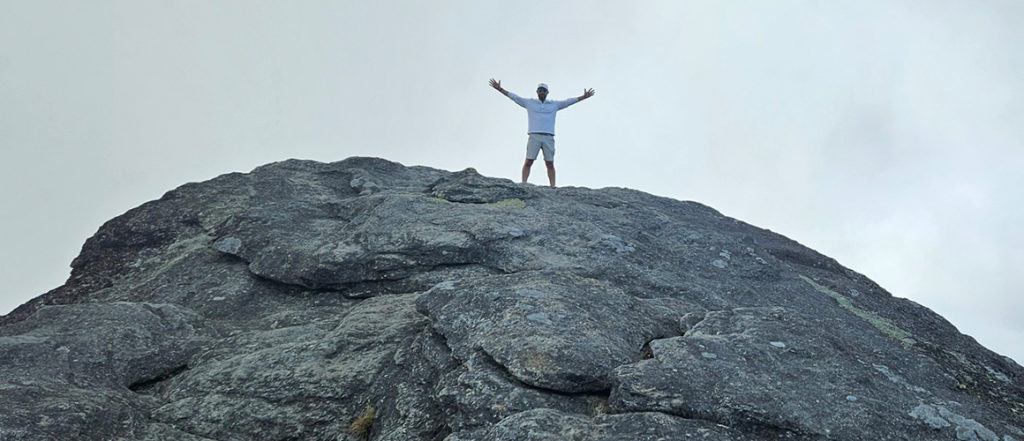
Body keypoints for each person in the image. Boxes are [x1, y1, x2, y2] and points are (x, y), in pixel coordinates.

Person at [489, 79, 595, 187]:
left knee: (549, 163)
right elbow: (514, 97)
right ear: (537, 92)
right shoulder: (530, 103)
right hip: (534, 135)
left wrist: (583, 97)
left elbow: (568, 102)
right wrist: (500, 89)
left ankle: (553, 186)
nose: (541, 92)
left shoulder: (554, 104)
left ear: (547, 92)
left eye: (544, 90)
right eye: (539, 90)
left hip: (548, 137)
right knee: (529, 161)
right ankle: (523, 183)